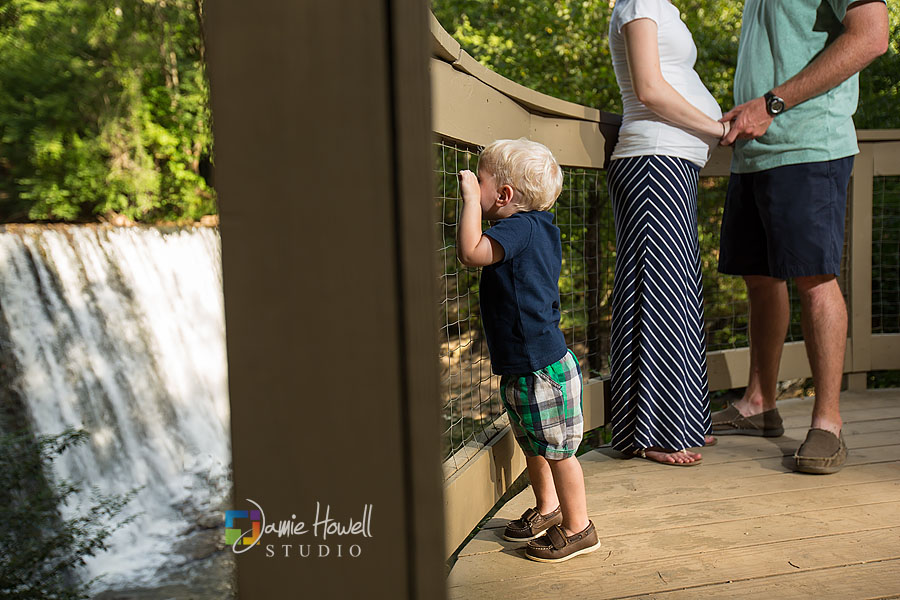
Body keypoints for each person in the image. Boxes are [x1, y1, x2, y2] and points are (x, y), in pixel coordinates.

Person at [714, 0, 889, 474]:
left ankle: (827, 423)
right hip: (754, 150)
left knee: (814, 279)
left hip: (809, 145)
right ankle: (759, 403)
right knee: (760, 277)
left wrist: (772, 103)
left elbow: (872, 36)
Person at [456, 138, 601, 563]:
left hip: (541, 368)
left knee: (558, 453)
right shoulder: (533, 226)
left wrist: (467, 200)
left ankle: (579, 527)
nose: (473, 185)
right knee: (536, 446)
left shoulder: (519, 227)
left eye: (479, 180)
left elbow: (470, 252)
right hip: (526, 365)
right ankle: (549, 508)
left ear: (503, 196)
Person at [606, 0, 729, 466]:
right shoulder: (639, 2)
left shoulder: (662, 5)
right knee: (656, 294)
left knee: (677, 290)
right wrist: (716, 127)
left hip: (673, 165)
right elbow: (651, 90)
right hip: (652, 161)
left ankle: (684, 417)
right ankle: (651, 431)